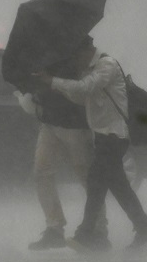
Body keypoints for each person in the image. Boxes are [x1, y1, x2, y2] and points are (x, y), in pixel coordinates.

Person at [35, 37, 147, 251]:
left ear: (87, 51)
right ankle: (145, 229)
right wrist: (59, 89)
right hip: (103, 136)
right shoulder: (91, 70)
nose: (75, 63)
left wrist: (53, 81)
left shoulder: (106, 65)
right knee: (118, 187)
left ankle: (86, 233)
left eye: (77, 57)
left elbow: (86, 87)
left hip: (114, 135)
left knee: (96, 184)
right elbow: (83, 98)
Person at [15, 59, 107, 250]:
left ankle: (99, 230)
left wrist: (52, 81)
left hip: (73, 123)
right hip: (49, 121)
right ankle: (54, 228)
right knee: (41, 172)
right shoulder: (40, 54)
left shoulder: (68, 56)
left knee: (86, 175)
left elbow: (80, 91)